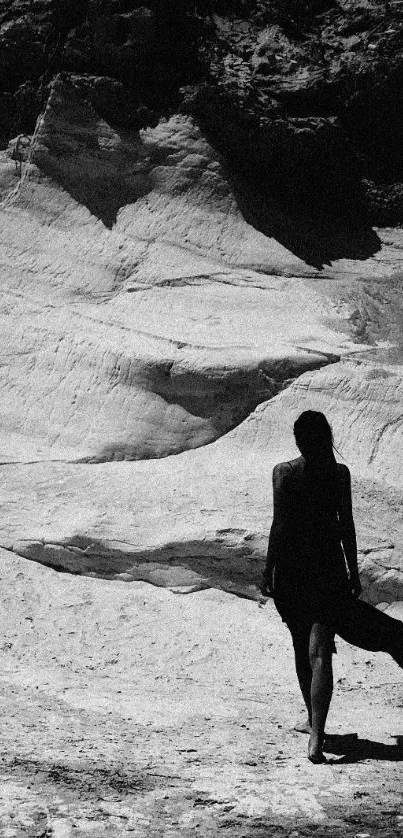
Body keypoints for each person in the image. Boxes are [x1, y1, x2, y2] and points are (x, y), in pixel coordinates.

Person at [260, 410, 403, 764]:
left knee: (300, 647)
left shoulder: (284, 473)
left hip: (293, 571)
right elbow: (346, 527)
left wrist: (268, 569)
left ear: (297, 439)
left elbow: (279, 526)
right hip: (326, 569)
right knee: (320, 651)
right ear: (327, 436)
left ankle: (313, 726)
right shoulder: (338, 474)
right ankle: (315, 735)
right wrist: (353, 572)